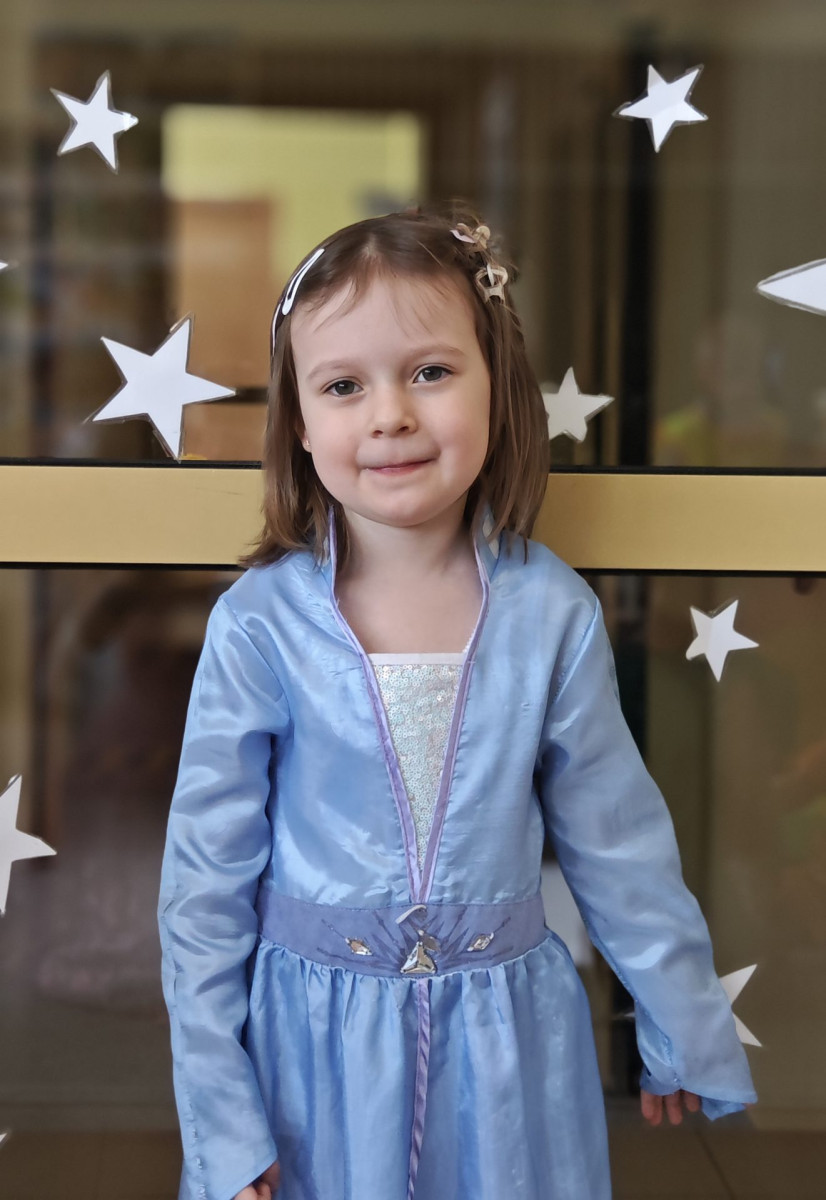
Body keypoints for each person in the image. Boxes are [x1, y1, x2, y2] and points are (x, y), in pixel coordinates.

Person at [158, 207, 757, 1200]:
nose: (389, 415)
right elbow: (203, 886)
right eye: (343, 386)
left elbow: (617, 841)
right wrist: (220, 1114)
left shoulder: (551, 613)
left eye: (429, 372)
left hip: (507, 1053)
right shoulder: (260, 626)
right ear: (299, 423)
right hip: (313, 1059)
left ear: (498, 388)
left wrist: (682, 1017)